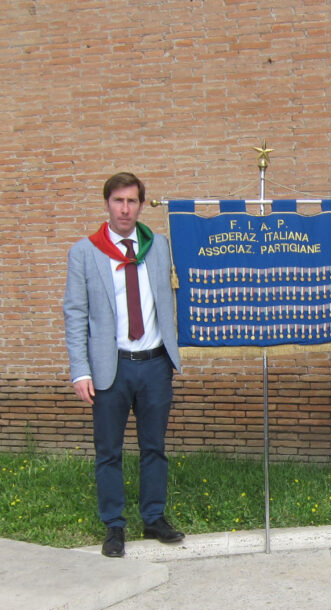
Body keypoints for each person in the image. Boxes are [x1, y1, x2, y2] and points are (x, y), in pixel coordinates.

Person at [63, 172, 184, 558]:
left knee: (154, 446)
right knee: (108, 451)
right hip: (109, 367)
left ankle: (153, 517)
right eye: (118, 201)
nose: (125, 209)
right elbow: (75, 313)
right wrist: (80, 370)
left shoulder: (159, 245)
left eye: (132, 201)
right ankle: (114, 525)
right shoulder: (85, 252)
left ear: (141, 205)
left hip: (154, 364)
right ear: (107, 204)